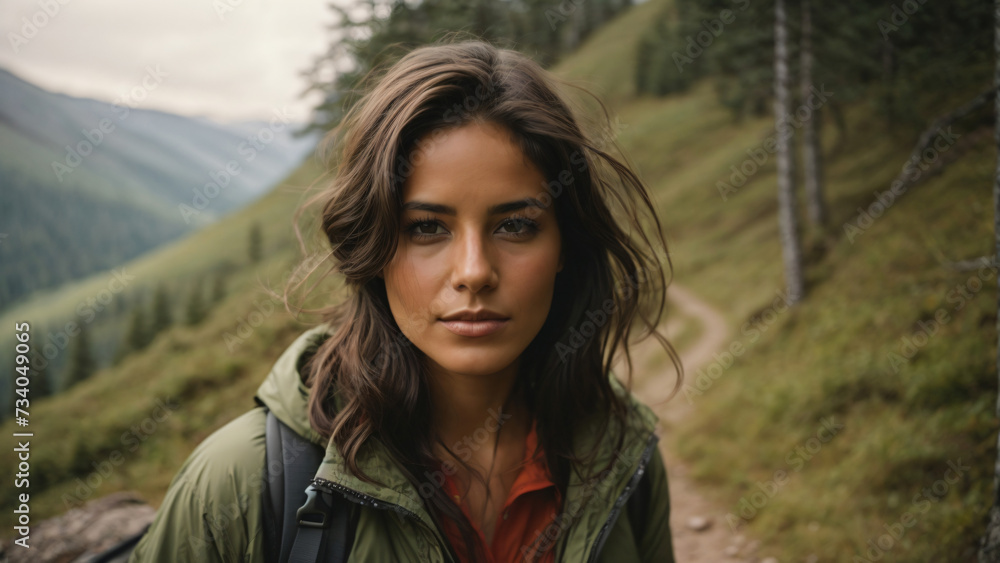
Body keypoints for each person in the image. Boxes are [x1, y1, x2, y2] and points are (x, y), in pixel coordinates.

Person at [129, 37, 681, 563]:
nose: (474, 272)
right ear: (374, 246)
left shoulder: (619, 455)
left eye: (515, 224)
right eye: (426, 229)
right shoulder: (242, 482)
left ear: (565, 243)